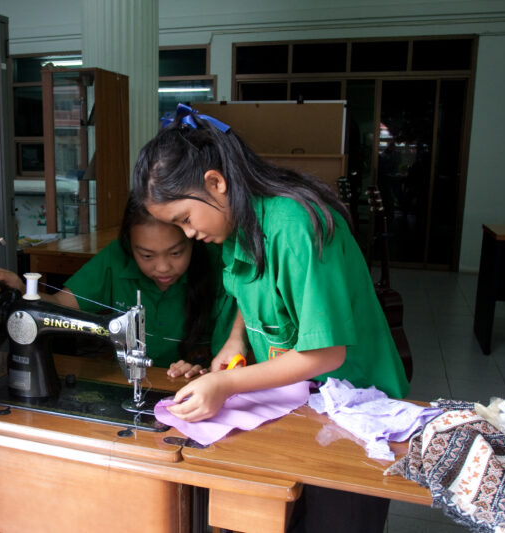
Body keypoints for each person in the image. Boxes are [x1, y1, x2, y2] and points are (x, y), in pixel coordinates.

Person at [132, 103, 410, 532]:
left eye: (185, 219)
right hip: (298, 399)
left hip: (356, 403)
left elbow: (326, 354)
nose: (189, 234)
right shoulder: (235, 225)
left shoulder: (295, 225)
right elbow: (252, 288)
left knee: (336, 520)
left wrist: (224, 384)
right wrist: (236, 340)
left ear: (216, 183)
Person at [0, 195, 236, 373]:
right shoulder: (115, 259)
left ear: (192, 238)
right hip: (134, 381)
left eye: (176, 253)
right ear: (129, 245)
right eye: (146, 255)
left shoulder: (220, 267)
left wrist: (204, 373)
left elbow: (230, 359)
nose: (163, 267)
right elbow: (60, 306)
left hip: (196, 391)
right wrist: (21, 290)